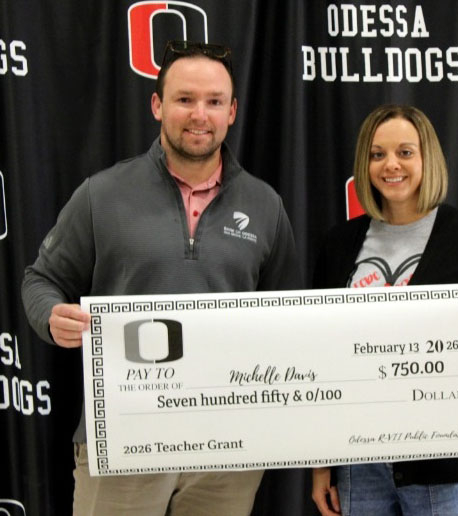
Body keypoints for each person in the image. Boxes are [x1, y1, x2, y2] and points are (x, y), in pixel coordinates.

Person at [21, 40, 300, 516]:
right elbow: (40, 279)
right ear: (157, 105)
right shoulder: (102, 194)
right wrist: (50, 316)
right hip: (123, 437)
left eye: (214, 101)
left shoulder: (265, 205)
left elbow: (289, 315)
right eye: (184, 99)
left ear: (232, 112)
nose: (199, 115)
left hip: (226, 450)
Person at [311, 104, 458, 516]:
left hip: (442, 464)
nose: (391, 165)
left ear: (427, 158)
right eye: (377, 154)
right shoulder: (339, 244)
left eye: (405, 152)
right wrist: (322, 464)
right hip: (359, 462)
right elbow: (321, 358)